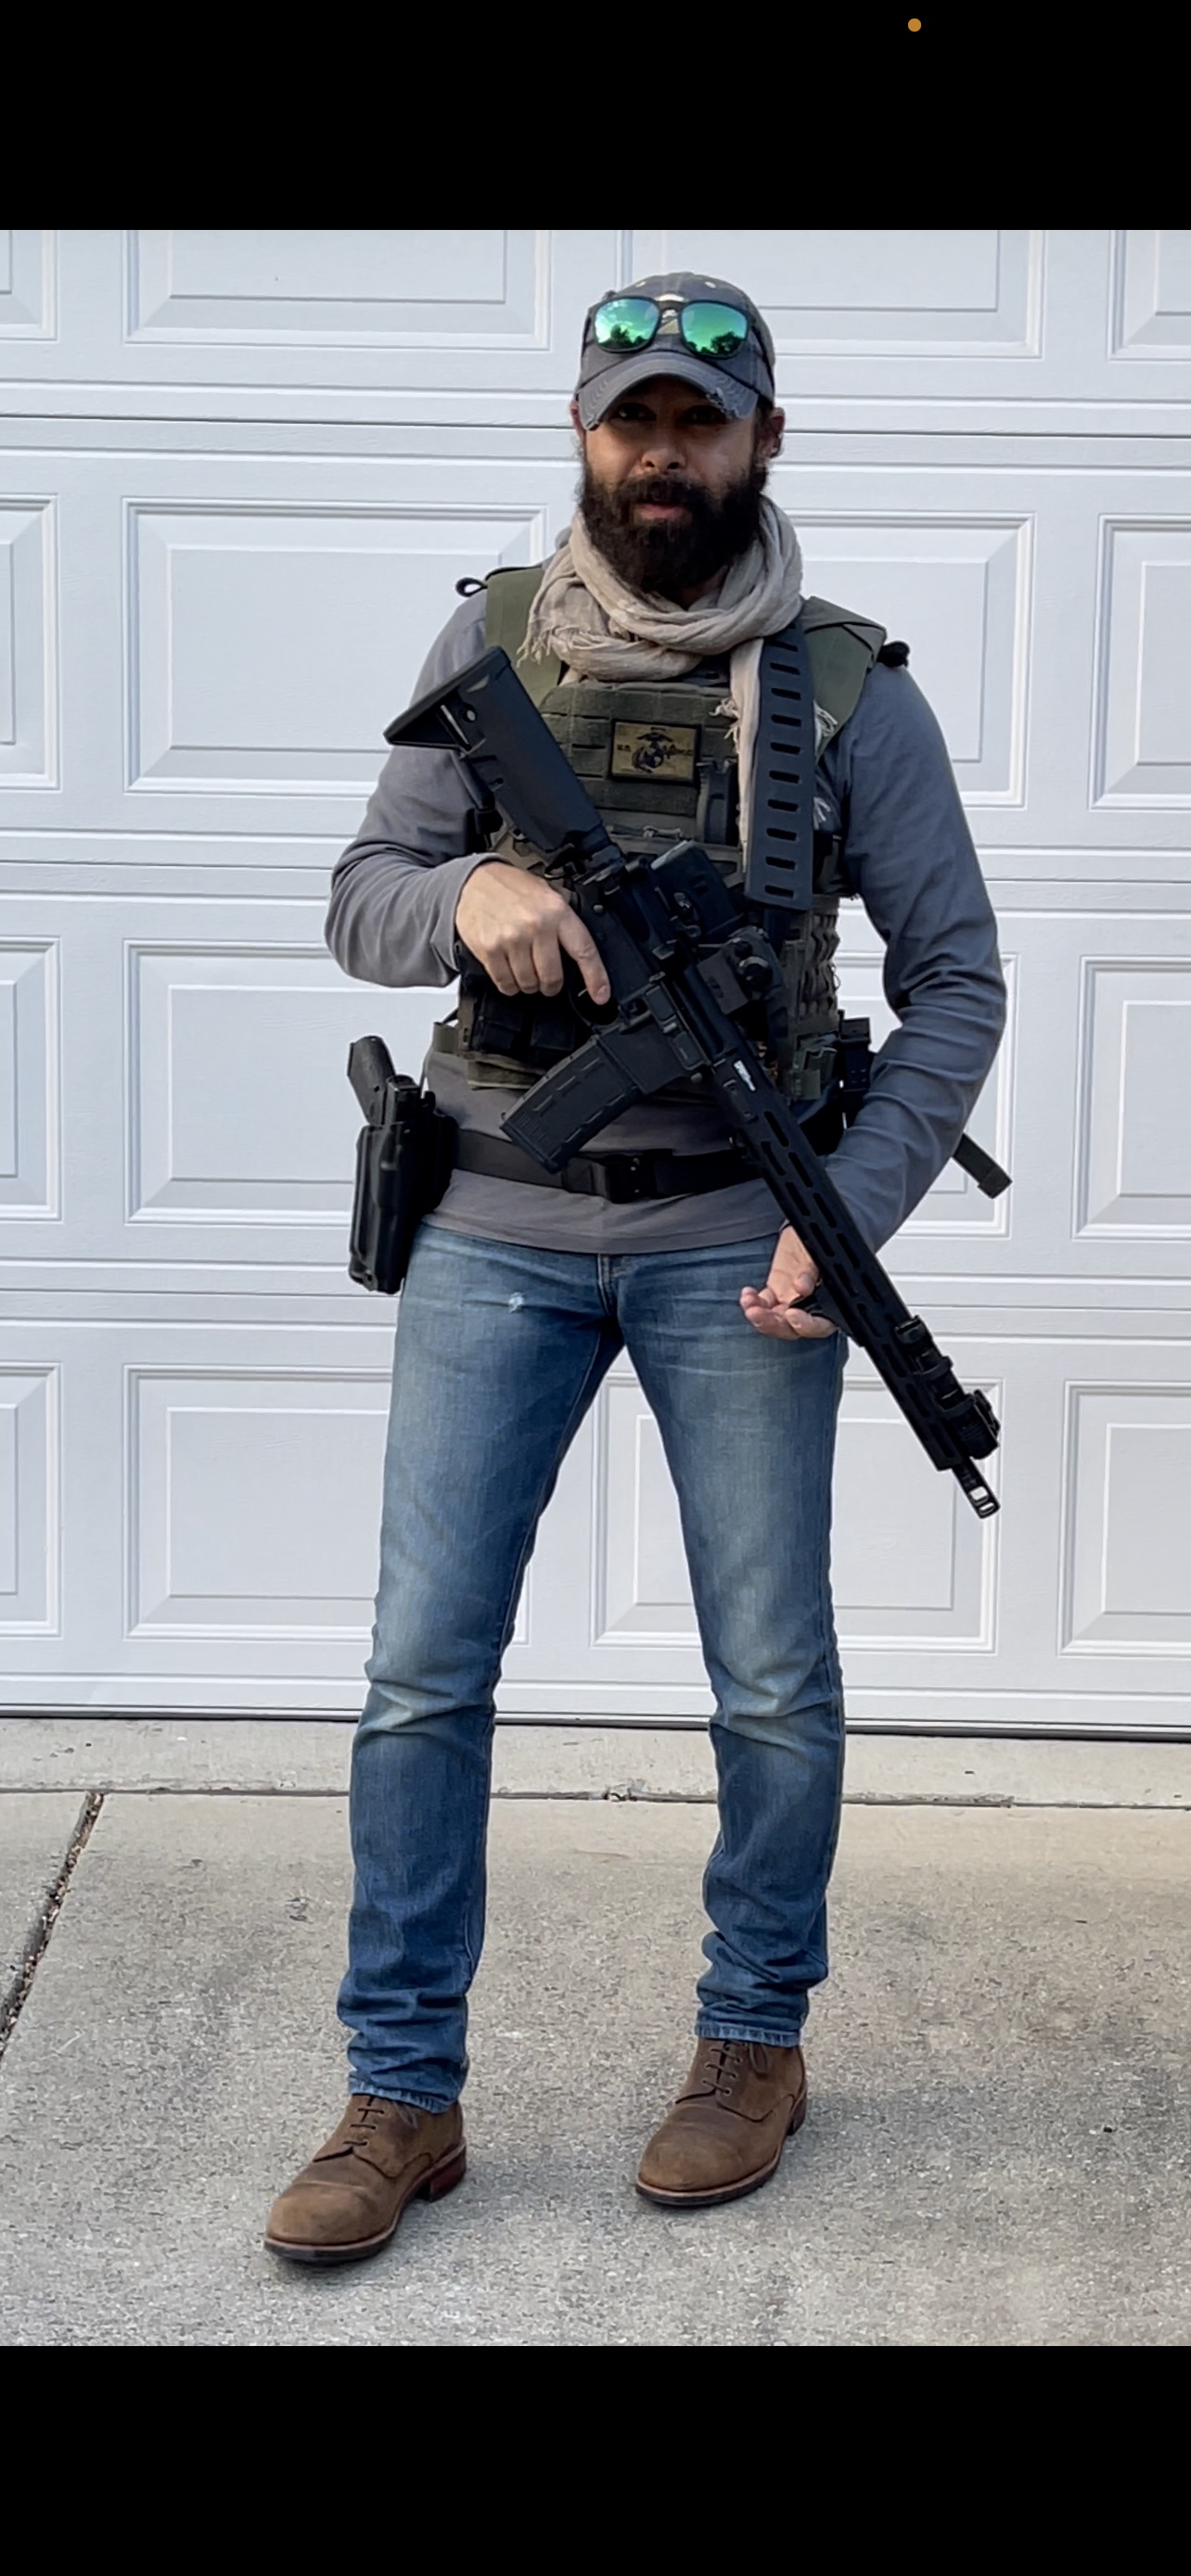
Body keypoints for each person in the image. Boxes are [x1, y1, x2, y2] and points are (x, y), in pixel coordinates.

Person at [264, 273, 1006, 2264]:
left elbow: (954, 987)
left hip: (729, 1244)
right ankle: (399, 2096)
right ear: (583, 433)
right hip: (491, 1225)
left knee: (770, 1678)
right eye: (629, 419)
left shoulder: (854, 690)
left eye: (698, 421)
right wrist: (471, 892)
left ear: (766, 441)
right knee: (423, 1674)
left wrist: (840, 1213)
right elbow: (360, 895)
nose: (659, 454)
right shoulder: (491, 642)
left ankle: (751, 2041)